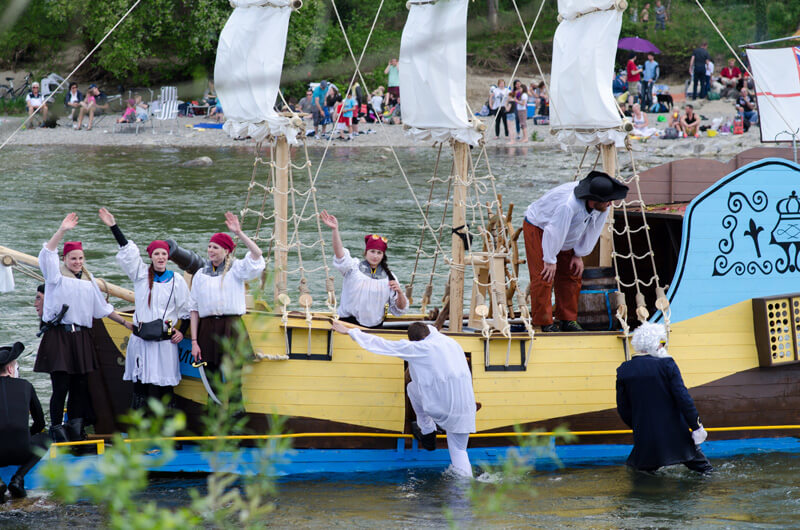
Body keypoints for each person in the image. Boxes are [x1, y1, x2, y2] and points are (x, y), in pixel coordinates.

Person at [331, 321, 476, 477]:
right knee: (460, 452)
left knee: (412, 389)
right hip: (467, 408)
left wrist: (350, 332)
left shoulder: (421, 348)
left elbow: (383, 345)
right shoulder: (451, 343)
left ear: (415, 341)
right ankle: (465, 490)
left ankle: (428, 432)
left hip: (443, 409)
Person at [35, 213, 132, 443]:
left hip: (81, 338)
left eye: (80, 258)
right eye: (72, 258)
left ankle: (76, 428)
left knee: (79, 386)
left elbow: (103, 309)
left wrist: (126, 323)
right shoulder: (55, 276)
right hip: (60, 336)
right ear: (65, 259)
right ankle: (57, 428)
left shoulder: (89, 282)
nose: (77, 262)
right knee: (61, 386)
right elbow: (47, 254)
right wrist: (62, 230)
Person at [98, 208, 193, 410]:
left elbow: (186, 310)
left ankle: (169, 434)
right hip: (142, 339)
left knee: (165, 387)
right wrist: (114, 226)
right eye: (156, 254)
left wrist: (181, 331)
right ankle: (140, 431)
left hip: (165, 341)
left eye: (164, 254)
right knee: (141, 386)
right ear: (151, 256)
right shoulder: (141, 275)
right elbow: (127, 252)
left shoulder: (176, 280)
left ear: (168, 257)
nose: (160, 257)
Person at [523, 171, 629, 332]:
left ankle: (567, 320)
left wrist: (578, 254)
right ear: (595, 200)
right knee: (543, 275)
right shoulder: (568, 205)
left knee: (572, 272)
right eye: (608, 200)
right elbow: (553, 231)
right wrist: (550, 260)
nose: (611, 204)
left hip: (563, 230)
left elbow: (593, 230)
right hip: (539, 226)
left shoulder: (603, 207)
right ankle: (544, 323)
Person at [616, 322, 712, 474]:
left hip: (645, 438)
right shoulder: (667, 364)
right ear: (655, 344)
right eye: (662, 342)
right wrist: (696, 426)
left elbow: (623, 408)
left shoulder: (624, 370)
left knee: (640, 475)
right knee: (706, 472)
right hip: (676, 434)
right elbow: (683, 399)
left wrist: (639, 426)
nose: (664, 346)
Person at [188, 213, 265, 378]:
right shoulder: (200, 274)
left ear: (226, 250)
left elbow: (257, 255)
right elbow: (193, 309)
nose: (210, 250)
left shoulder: (236, 269)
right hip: (207, 329)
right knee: (211, 380)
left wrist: (239, 233)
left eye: (215, 247)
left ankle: (236, 405)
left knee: (234, 382)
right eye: (209, 247)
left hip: (231, 327)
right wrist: (194, 342)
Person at [320, 210, 408, 328]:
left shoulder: (390, 278)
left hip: (374, 329)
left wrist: (400, 292)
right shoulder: (353, 268)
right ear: (365, 252)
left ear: (383, 256)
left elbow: (400, 309)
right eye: (372, 251)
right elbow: (339, 254)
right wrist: (335, 230)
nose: (375, 256)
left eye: (379, 253)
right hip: (347, 323)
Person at [0, 342, 50, 500]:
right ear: (10, 369)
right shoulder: (26, 386)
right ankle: (18, 478)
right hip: (22, 451)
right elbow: (40, 424)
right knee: (47, 437)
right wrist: (25, 435)